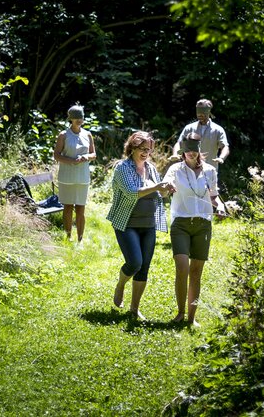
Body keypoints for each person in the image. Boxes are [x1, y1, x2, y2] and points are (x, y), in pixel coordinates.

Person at [106, 131, 174, 319]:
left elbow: (160, 194)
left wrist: (167, 190)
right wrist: (156, 187)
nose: (146, 153)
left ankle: (134, 309)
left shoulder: (151, 169)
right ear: (133, 147)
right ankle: (120, 285)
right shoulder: (122, 168)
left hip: (149, 224)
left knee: (144, 267)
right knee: (135, 262)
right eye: (143, 149)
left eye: (149, 150)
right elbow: (130, 192)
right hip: (126, 223)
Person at [163, 133, 226, 326]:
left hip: (203, 224)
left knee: (196, 272)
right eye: (187, 150)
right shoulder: (175, 169)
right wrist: (168, 186)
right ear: (183, 151)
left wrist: (220, 206)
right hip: (181, 222)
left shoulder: (209, 171)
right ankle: (180, 312)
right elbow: (165, 187)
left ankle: (192, 317)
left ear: (199, 150)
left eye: (194, 149)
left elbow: (214, 196)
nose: (191, 153)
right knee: (182, 268)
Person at [53, 104, 96, 242]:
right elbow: (57, 155)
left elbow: (93, 154)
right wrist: (71, 160)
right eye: (76, 118)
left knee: (81, 209)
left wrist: (86, 157)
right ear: (70, 119)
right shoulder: (63, 135)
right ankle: (67, 237)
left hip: (83, 177)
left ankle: (80, 239)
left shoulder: (87, 134)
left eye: (81, 118)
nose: (79, 120)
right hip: (66, 177)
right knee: (68, 207)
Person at [169, 98, 230, 170]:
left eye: (202, 112)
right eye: (198, 111)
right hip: (189, 170)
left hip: (209, 171)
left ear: (208, 111)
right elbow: (179, 143)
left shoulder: (217, 130)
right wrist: (175, 154)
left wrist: (221, 158)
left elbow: (225, 146)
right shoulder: (189, 128)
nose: (200, 114)